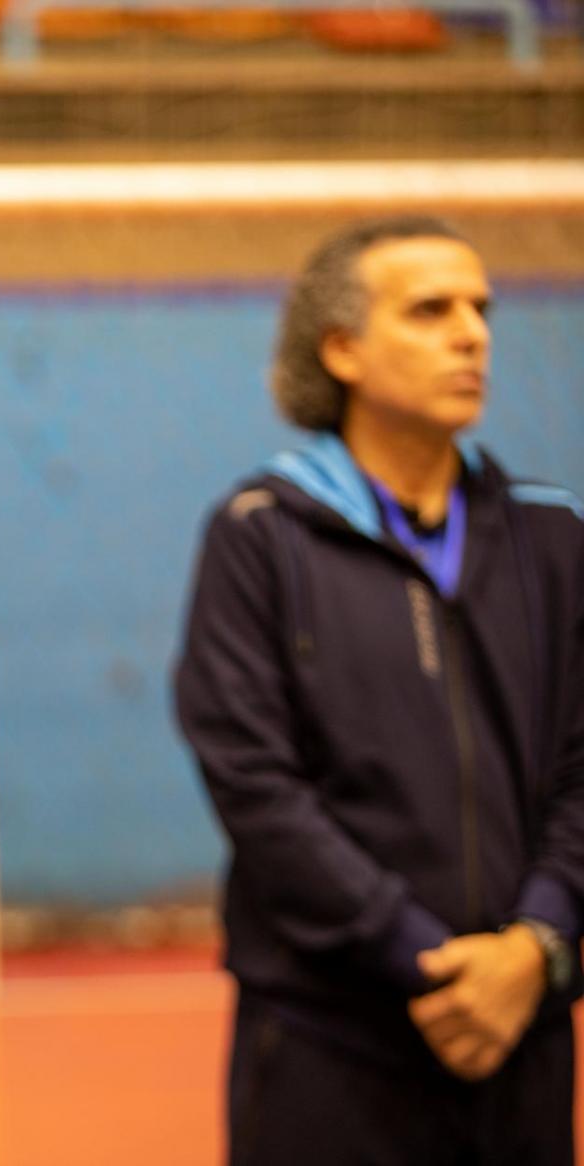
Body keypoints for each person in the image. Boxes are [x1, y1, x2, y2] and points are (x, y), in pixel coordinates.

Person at [174, 215, 584, 1165]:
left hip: (523, 1027)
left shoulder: (552, 536)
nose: (472, 335)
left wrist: (536, 945)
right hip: (329, 1039)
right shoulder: (262, 534)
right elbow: (255, 784)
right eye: (431, 311)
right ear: (342, 350)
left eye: (480, 310)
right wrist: (420, 956)